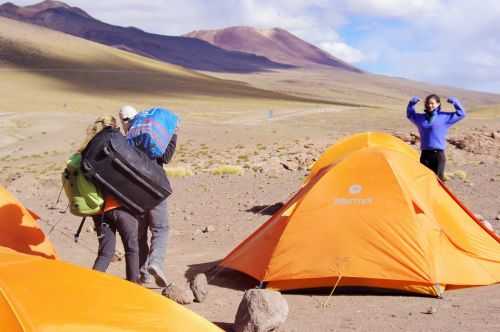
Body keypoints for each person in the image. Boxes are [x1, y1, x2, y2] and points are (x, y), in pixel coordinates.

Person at [119, 105, 178, 287]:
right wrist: (173, 136)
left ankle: (143, 275)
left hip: (135, 191)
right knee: (161, 228)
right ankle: (156, 263)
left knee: (140, 233)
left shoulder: (124, 142)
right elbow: (165, 158)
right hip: (156, 186)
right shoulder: (152, 138)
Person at [81, 115, 141, 283]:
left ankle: (92, 285)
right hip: (121, 207)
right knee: (132, 248)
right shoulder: (115, 145)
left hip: (99, 211)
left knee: (106, 253)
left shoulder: (87, 150)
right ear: (113, 127)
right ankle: (133, 289)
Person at [407, 94, 466, 180]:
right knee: (425, 180)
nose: (429, 105)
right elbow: (410, 115)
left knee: (438, 181)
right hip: (425, 155)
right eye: (427, 103)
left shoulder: (444, 117)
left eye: (432, 103)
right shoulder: (421, 118)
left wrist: (456, 103)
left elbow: (461, 114)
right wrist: (411, 104)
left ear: (438, 104)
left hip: (438, 155)